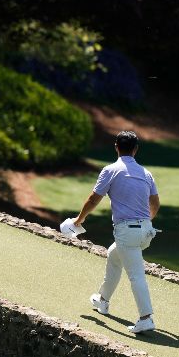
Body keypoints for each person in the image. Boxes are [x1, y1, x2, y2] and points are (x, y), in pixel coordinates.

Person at [70, 130, 160, 334]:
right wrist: (146, 222)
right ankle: (102, 301)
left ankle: (146, 318)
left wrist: (79, 220)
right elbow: (155, 203)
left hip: (128, 232)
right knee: (113, 256)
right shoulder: (146, 173)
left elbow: (94, 199)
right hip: (146, 231)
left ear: (116, 147)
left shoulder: (111, 170)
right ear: (135, 150)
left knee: (136, 275)